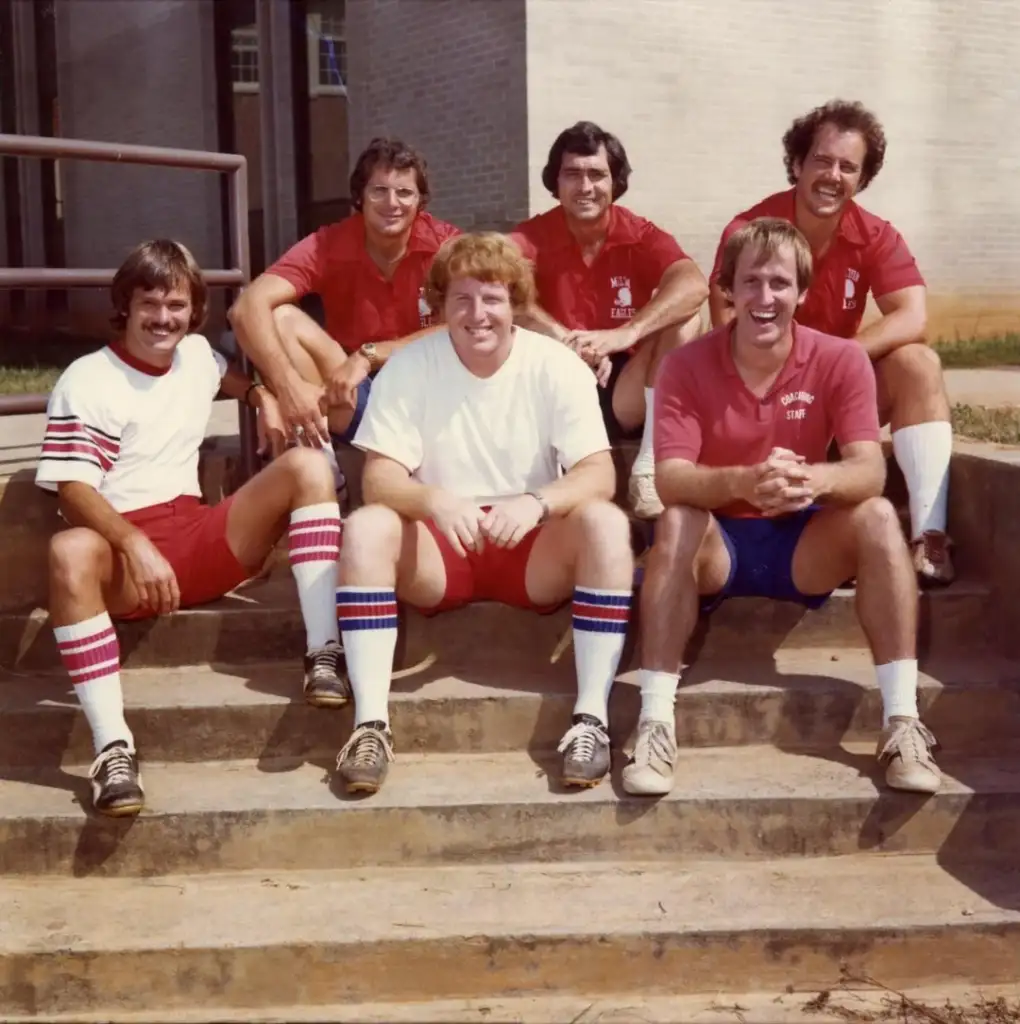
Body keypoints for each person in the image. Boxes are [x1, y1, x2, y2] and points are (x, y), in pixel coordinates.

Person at [627, 217, 941, 799]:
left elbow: (869, 470)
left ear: (801, 292)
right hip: (719, 543)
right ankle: (654, 722)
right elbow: (671, 480)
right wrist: (746, 481)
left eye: (778, 283)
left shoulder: (840, 359)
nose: (764, 298)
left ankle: (902, 722)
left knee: (874, 514)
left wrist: (809, 480)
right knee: (675, 519)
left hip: (803, 540)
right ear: (728, 289)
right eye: (750, 282)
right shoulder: (686, 364)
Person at [37, 240, 347, 818]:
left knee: (306, 465)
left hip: (198, 538)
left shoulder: (195, 354)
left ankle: (324, 652)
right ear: (124, 307)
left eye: (176, 305)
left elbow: (222, 371)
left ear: (194, 310)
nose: (163, 318)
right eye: (149, 303)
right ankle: (112, 748)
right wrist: (133, 543)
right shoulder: (88, 379)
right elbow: (73, 490)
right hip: (127, 559)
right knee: (69, 548)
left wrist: (260, 396)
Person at [332, 232, 635, 795]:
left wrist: (537, 501)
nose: (478, 314)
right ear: (440, 304)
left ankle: (590, 719)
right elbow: (378, 478)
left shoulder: (554, 364)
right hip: (443, 546)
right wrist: (435, 500)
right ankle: (370, 724)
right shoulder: (409, 366)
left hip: (530, 545)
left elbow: (600, 474)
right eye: (462, 299)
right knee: (367, 525)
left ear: (515, 302)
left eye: (492, 298)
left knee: (607, 522)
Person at [708, 100, 953, 586]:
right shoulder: (750, 231)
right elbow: (729, 330)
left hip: (831, 398)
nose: (832, 176)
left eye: (848, 167)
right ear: (797, 164)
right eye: (822, 161)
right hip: (761, 399)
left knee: (918, 364)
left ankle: (930, 536)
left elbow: (914, 315)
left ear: (862, 178)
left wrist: (839, 360)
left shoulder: (874, 234)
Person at [510, 121, 708, 520]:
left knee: (688, 319)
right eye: (572, 174)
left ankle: (650, 466)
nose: (585, 187)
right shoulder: (534, 234)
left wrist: (624, 334)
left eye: (596, 175)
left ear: (615, 181)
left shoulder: (637, 233)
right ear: (556, 181)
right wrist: (567, 340)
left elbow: (694, 284)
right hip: (556, 385)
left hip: (624, 387)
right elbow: (495, 280)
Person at [227, 137, 460, 455]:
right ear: (360, 198)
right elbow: (245, 307)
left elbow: (469, 321)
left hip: (431, 394)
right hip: (351, 396)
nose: (392, 203)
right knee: (282, 318)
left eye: (404, 192)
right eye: (379, 190)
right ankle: (322, 460)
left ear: (421, 201)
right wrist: (288, 387)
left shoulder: (446, 245)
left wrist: (369, 355)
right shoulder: (330, 243)